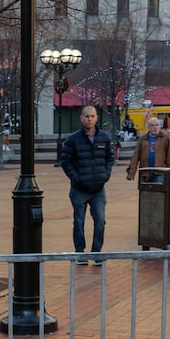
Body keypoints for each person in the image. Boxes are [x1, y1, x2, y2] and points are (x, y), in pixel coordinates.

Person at [59, 105, 116, 262]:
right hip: (79, 189)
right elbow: (65, 161)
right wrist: (76, 178)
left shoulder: (104, 137)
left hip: (98, 189)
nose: (89, 119)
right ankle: (80, 253)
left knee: (100, 220)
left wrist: (105, 175)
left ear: (96, 118)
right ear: (81, 118)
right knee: (79, 222)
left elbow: (110, 158)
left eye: (92, 116)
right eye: (86, 116)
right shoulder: (72, 140)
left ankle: (96, 253)